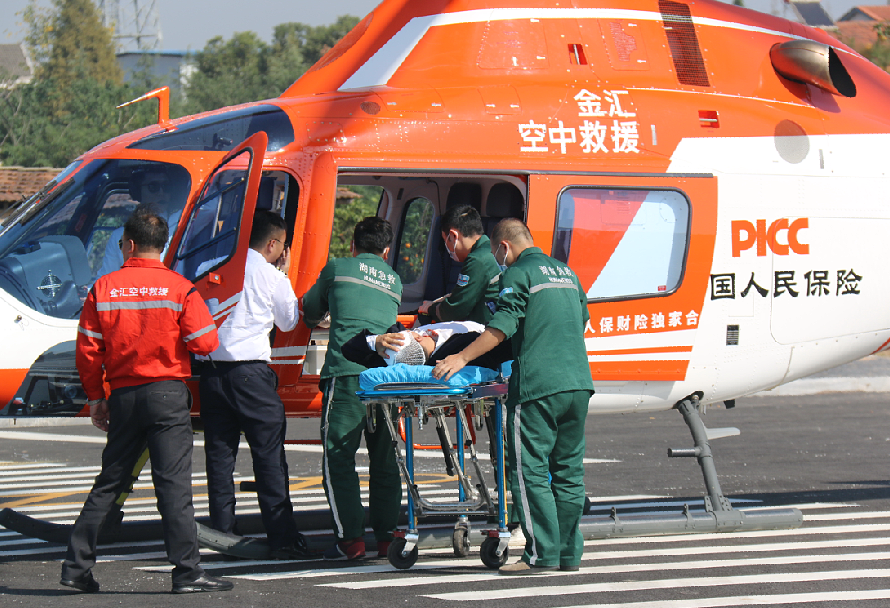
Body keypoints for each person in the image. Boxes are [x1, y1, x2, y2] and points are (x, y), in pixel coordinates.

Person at [61, 208, 232, 594]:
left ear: (131, 244)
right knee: (173, 487)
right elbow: (207, 342)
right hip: (168, 395)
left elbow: (87, 352)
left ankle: (75, 567)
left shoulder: (103, 288)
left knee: (109, 483)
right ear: (162, 246)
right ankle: (187, 573)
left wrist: (95, 399)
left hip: (122, 396)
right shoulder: (179, 288)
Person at [432, 217, 594, 576]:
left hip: (538, 387)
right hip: (579, 384)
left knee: (529, 470)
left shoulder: (518, 273)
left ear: (503, 247)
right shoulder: (566, 273)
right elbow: (581, 321)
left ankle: (541, 554)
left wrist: (460, 357)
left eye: (498, 253)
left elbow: (502, 327)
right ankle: (568, 553)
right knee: (567, 472)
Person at [198, 210, 310, 559]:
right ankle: (282, 537)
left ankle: (222, 532)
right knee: (268, 457)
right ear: (274, 243)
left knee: (219, 456)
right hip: (251, 374)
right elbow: (289, 320)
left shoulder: (213, 265)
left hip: (211, 373)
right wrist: (284, 275)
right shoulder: (271, 275)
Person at [301, 216, 403, 561]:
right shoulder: (394, 280)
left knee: (340, 458)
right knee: (385, 461)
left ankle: (351, 540)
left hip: (346, 376)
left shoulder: (337, 267)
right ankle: (388, 538)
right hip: (386, 381)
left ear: (352, 245)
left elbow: (310, 310)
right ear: (386, 251)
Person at [96, 166, 188, 277]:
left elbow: (210, 207)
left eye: (166, 187)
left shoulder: (183, 222)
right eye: (153, 187)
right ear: (138, 191)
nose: (161, 192)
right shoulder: (119, 235)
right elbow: (106, 278)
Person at [419, 204, 501, 324]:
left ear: (453, 236)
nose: (447, 248)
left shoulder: (477, 260)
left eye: (445, 241)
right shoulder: (491, 250)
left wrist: (430, 309)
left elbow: (457, 309)